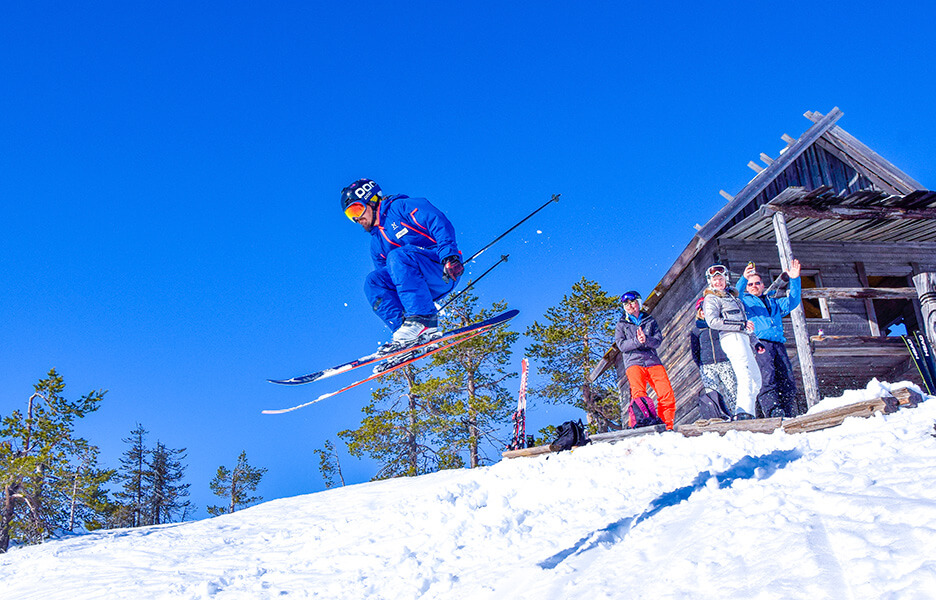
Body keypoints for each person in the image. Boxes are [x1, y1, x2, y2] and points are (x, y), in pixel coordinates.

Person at [340, 178, 464, 347]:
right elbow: (391, 281)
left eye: (357, 209)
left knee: (398, 256)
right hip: (419, 289)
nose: (357, 218)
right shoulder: (377, 244)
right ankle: (405, 332)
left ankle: (423, 321)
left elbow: (437, 220)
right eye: (350, 215)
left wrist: (450, 256)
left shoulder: (401, 208)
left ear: (372, 200)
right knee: (373, 281)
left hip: (440, 269)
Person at [737, 260, 802, 418]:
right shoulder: (744, 302)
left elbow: (793, 300)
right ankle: (773, 411)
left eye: (757, 283)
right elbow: (736, 294)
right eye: (750, 284)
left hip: (778, 343)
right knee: (767, 377)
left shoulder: (773, 302)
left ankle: (789, 411)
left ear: (763, 284)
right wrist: (744, 278)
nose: (754, 286)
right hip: (760, 343)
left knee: (787, 377)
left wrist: (794, 279)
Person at [702, 265, 761, 420]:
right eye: (715, 280)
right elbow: (713, 321)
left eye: (721, 278)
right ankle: (743, 412)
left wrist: (755, 342)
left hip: (744, 338)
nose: (718, 282)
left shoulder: (733, 296)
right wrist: (740, 326)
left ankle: (749, 413)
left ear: (726, 279)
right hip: (731, 338)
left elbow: (744, 322)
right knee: (745, 374)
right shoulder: (711, 298)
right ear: (710, 282)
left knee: (756, 380)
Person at [613, 290, 676, 429]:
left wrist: (646, 340)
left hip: (653, 362)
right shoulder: (621, 325)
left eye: (633, 302)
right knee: (638, 395)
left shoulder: (650, 320)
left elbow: (658, 341)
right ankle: (639, 426)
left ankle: (667, 426)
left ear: (639, 303)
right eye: (626, 304)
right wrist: (637, 341)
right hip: (634, 363)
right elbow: (622, 345)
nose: (630, 306)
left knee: (666, 394)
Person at [689, 297, 738, 413]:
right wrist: (701, 365)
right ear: (699, 312)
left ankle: (737, 413)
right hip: (707, 365)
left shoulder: (720, 325)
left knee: (731, 390)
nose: (704, 312)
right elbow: (695, 351)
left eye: (706, 309)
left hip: (724, 362)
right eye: (701, 310)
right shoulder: (696, 330)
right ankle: (718, 415)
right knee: (712, 392)